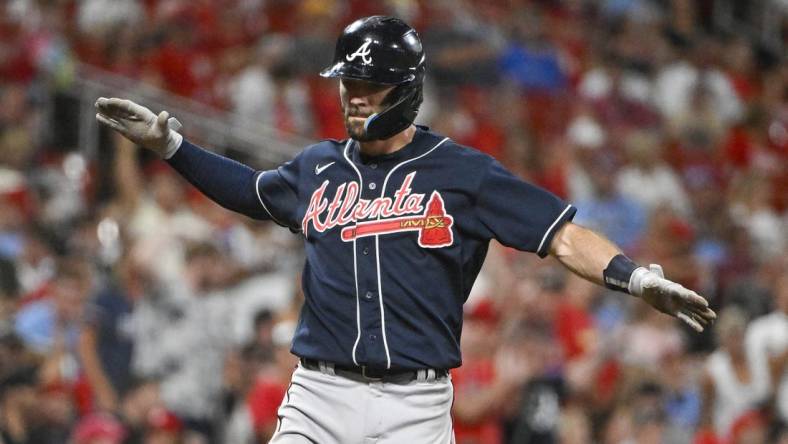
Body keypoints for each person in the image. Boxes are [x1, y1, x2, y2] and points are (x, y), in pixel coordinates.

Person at [94, 15, 716, 444]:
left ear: (407, 89)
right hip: (320, 393)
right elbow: (251, 193)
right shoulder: (318, 166)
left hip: (414, 408)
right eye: (347, 83)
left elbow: (560, 233)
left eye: (368, 84)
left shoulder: (463, 173)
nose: (352, 97)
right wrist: (172, 145)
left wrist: (633, 278)